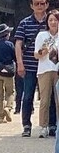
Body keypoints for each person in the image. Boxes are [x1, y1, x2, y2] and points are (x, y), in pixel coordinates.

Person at [14, 0, 51, 135]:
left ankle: (50, 125)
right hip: (30, 66)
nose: (40, 6)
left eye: (42, 3)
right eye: (37, 4)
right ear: (31, 6)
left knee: (49, 98)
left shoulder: (52, 21)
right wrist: (20, 63)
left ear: (47, 5)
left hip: (48, 66)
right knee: (28, 96)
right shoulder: (25, 23)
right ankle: (27, 126)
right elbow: (18, 44)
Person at [32, 10, 59, 138]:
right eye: (50, 20)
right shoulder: (42, 35)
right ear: (47, 22)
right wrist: (44, 51)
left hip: (58, 69)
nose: (53, 22)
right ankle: (43, 126)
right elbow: (36, 55)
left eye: (55, 20)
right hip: (45, 70)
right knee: (45, 100)